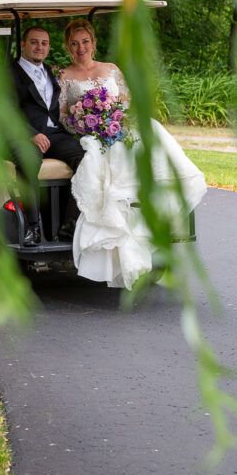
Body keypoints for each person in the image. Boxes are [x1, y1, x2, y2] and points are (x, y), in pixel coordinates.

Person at [58, 19, 207, 289]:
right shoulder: (65, 76)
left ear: (93, 42)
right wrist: (87, 124)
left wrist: (115, 119)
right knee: (102, 154)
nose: (81, 48)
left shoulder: (111, 69)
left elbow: (125, 103)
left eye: (85, 41)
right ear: (68, 46)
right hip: (90, 133)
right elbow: (63, 117)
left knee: (149, 131)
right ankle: (120, 219)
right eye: (74, 43)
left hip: (118, 126)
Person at [11, 25, 84, 246]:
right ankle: (32, 227)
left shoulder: (49, 71)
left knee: (86, 157)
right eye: (34, 42)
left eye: (44, 43)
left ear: (49, 47)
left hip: (53, 133)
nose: (39, 47)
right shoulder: (8, 73)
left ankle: (69, 224)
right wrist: (31, 135)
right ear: (23, 45)